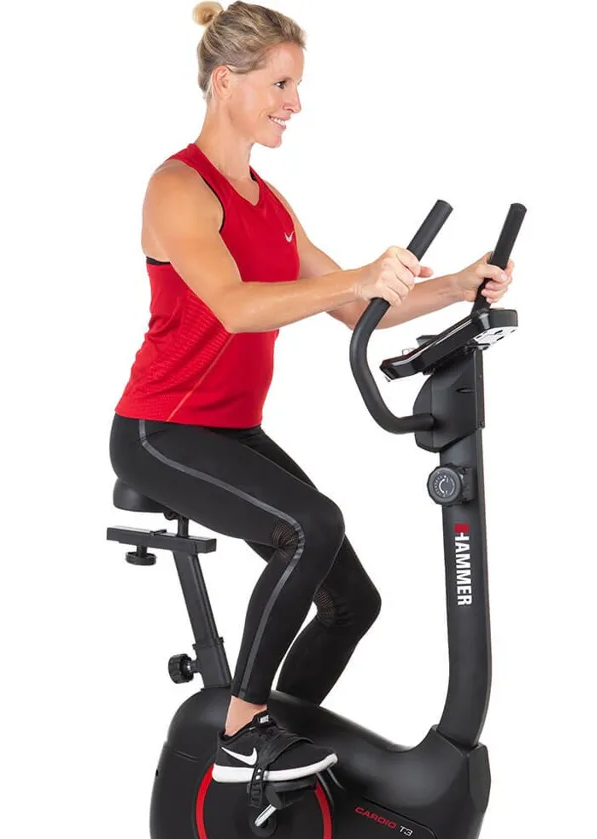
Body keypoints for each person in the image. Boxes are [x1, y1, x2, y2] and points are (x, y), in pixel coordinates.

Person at [109, 1, 515, 785]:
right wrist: (358, 275)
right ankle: (240, 733)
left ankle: (268, 765)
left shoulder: (269, 204)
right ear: (226, 83)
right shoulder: (178, 188)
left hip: (230, 430)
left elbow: (359, 308)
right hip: (161, 431)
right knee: (311, 525)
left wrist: (462, 284)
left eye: (296, 85)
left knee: (352, 603)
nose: (295, 103)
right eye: (281, 84)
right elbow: (235, 306)